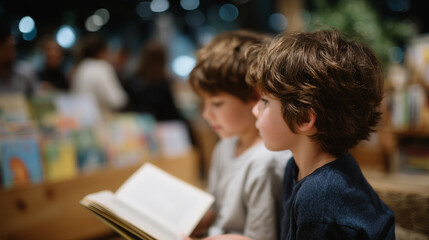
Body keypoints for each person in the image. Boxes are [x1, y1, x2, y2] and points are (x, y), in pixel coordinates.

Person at [246, 29, 395, 239]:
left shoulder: (320, 197)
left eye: (265, 101)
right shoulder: (297, 168)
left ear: (304, 118)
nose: (255, 110)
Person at [187, 30, 291, 240]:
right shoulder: (225, 146)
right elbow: (216, 209)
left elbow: (262, 236)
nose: (206, 114)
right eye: (204, 103)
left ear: (256, 95)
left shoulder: (266, 161)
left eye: (217, 103)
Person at [71, 33, 127, 113]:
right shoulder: (102, 67)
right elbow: (116, 100)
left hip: (80, 119)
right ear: (101, 52)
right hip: (99, 120)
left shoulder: (80, 67)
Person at [0, 21, 37, 97]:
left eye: (12, 49)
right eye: (5, 50)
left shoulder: (26, 71)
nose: (10, 54)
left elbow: (36, 97)